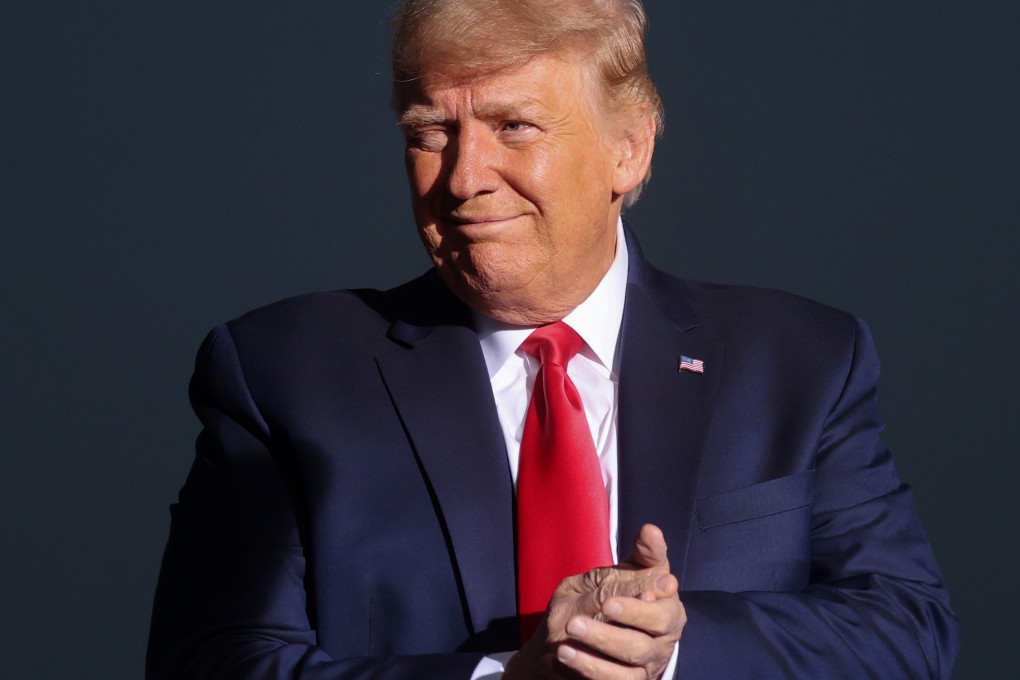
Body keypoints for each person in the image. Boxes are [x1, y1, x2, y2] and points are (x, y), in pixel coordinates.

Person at [146, 1, 960, 678]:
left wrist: (673, 652)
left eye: (514, 126)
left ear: (628, 149)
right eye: (429, 133)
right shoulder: (283, 376)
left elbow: (906, 630)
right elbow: (210, 659)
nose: (462, 178)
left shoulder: (800, 363)